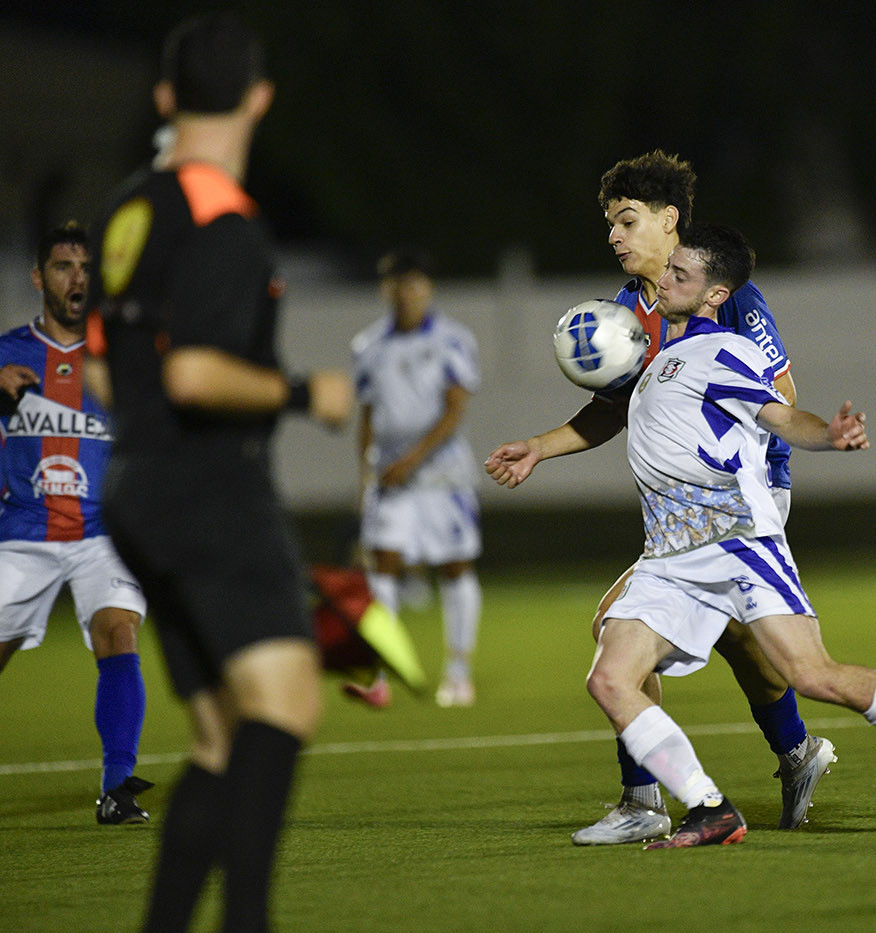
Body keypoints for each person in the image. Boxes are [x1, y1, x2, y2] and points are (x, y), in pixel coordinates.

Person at [587, 223, 876, 848]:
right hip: (668, 557)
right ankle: (708, 807)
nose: (664, 280)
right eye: (668, 272)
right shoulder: (661, 355)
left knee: (813, 675)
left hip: (737, 544)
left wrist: (830, 434)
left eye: (681, 276)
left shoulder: (725, 351)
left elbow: (780, 413)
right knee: (610, 678)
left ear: (715, 295)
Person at [86, 14, 352, 931]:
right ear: (259, 99)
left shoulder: (128, 208)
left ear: (165, 98)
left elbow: (97, 366)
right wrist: (302, 391)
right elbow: (193, 372)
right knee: (286, 706)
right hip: (207, 487)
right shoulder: (223, 220)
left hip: (133, 488)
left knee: (217, 735)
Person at [485, 151, 834, 844]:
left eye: (628, 220)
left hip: (746, 496)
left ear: (670, 220)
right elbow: (612, 410)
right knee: (742, 641)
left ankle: (645, 796)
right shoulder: (626, 312)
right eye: (612, 224)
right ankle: (797, 753)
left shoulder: (726, 292)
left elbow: (782, 395)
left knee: (618, 626)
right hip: (687, 510)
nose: (615, 236)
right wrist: (538, 447)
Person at [0, 222, 152, 824]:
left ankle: (117, 789)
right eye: (64, 267)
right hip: (23, 534)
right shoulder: (8, 352)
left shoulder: (121, 358)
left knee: (118, 631)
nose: (78, 279)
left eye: (87, 268)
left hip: (103, 535)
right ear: (40, 278)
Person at [350, 248, 483, 708]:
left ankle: (459, 672)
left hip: (441, 476)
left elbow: (454, 411)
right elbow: (366, 416)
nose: (403, 293)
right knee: (382, 565)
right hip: (391, 479)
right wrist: (366, 476)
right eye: (395, 284)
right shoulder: (368, 346)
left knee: (454, 566)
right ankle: (381, 671)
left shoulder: (452, 339)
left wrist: (413, 458)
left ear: (427, 288)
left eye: (412, 283)